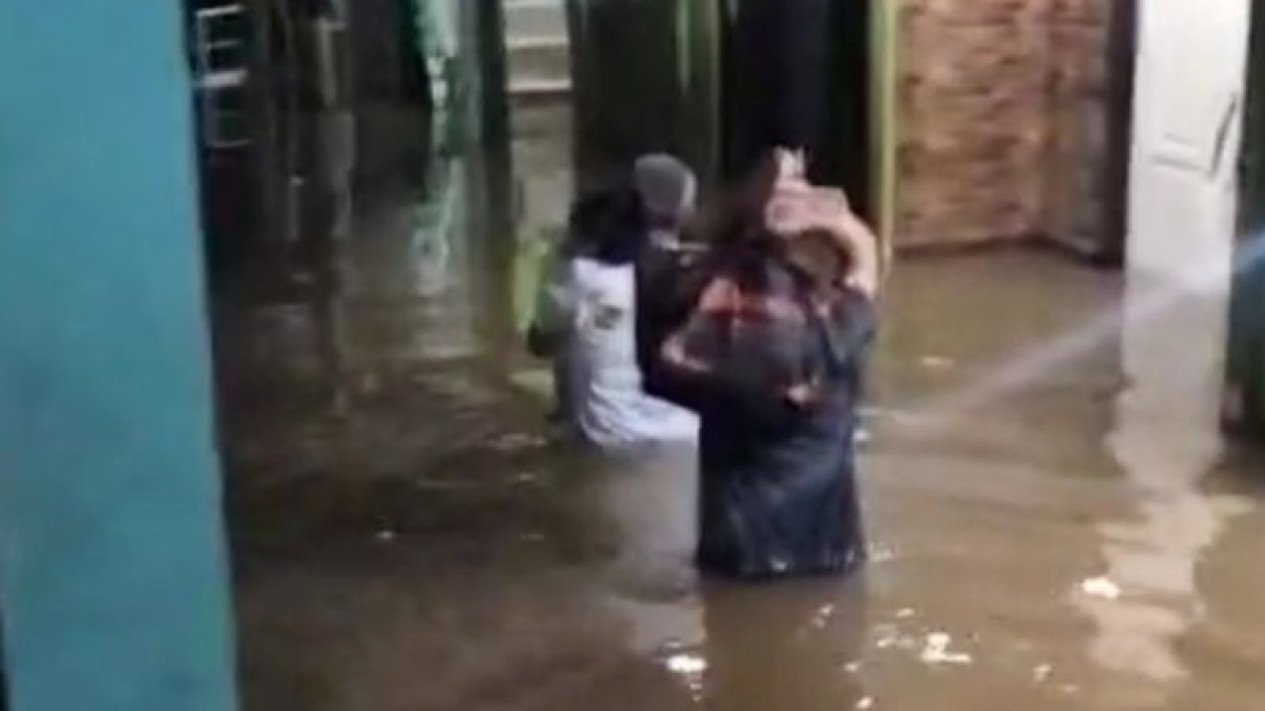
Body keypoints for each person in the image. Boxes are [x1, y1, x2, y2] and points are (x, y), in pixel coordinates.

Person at [640, 149, 880, 579]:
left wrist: (739, 217)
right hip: (824, 559)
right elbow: (867, 264)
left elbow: (662, 290)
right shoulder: (835, 329)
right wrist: (835, 220)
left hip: (731, 558)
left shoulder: (699, 339)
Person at [531, 176, 699, 450]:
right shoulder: (633, 273)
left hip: (601, 430)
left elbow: (538, 343)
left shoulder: (574, 273)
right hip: (633, 420)